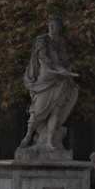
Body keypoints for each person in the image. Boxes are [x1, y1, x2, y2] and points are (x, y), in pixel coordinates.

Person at [19, 16, 80, 152]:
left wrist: (66, 69)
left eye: (54, 25)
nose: (51, 27)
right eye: (50, 25)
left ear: (59, 27)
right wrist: (58, 68)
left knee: (56, 111)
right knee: (38, 110)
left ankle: (49, 141)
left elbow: (64, 59)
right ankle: (28, 136)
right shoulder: (42, 40)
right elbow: (43, 57)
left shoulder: (61, 42)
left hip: (59, 81)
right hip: (46, 80)